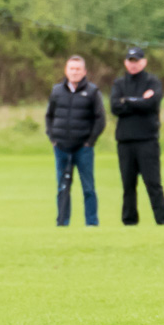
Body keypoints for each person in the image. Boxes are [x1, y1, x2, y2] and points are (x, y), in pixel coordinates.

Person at [110, 46, 164, 225]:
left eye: (137, 61)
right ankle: (129, 221)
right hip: (125, 141)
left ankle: (163, 220)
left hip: (147, 141)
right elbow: (115, 107)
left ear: (143, 62)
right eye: (130, 61)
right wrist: (139, 100)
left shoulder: (152, 81)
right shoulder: (119, 84)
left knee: (153, 183)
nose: (133, 64)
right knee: (128, 185)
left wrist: (128, 100)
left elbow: (151, 104)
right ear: (125, 62)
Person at [44, 55, 105, 226]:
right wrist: (53, 138)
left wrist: (90, 142)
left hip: (83, 148)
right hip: (61, 147)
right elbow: (49, 116)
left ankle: (91, 223)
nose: (75, 72)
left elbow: (100, 119)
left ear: (84, 71)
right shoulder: (57, 91)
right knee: (62, 187)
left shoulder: (92, 91)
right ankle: (62, 222)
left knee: (88, 188)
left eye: (78, 69)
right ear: (66, 70)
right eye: (72, 68)